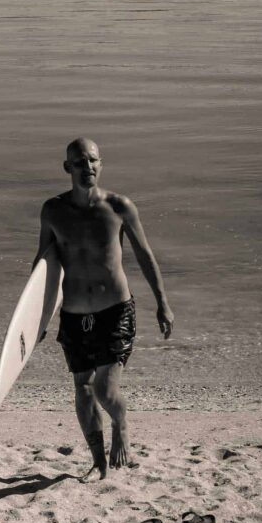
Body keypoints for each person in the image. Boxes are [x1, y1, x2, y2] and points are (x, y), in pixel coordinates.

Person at [32, 137, 174, 481]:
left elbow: (144, 255)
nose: (88, 168)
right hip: (74, 314)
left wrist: (162, 303)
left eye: (93, 161)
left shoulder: (119, 207)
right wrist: (36, 320)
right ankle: (98, 460)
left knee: (104, 391)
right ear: (67, 168)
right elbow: (42, 265)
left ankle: (120, 423)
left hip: (115, 310)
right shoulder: (53, 211)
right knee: (81, 388)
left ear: (101, 163)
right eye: (79, 163)